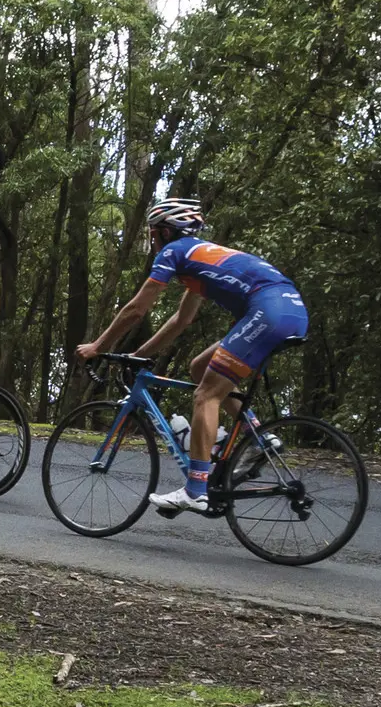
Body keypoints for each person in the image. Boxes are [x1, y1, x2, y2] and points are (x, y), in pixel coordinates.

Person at [78, 198, 310, 515]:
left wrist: (98, 346)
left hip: (268, 312)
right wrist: (137, 355)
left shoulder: (174, 252)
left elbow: (136, 309)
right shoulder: (201, 260)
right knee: (200, 368)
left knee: (206, 396)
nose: (152, 239)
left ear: (163, 231)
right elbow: (181, 321)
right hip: (289, 311)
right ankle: (258, 437)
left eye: (153, 232)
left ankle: (196, 489)